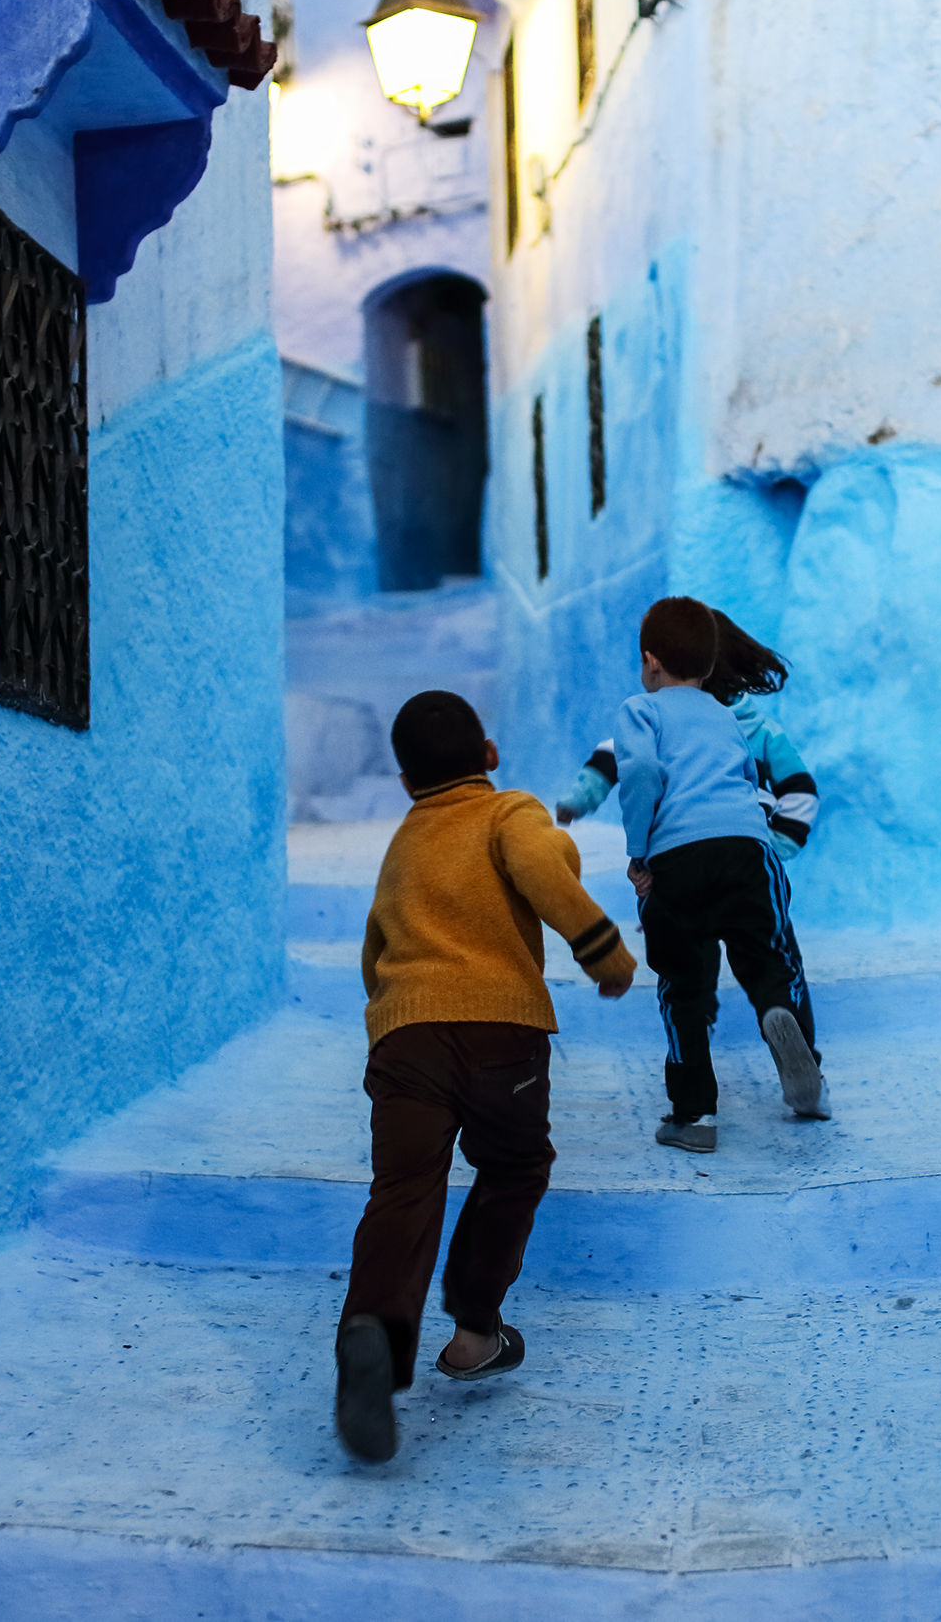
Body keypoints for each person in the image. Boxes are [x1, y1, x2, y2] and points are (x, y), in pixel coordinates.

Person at [334, 690, 637, 1466]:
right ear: (491, 756)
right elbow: (542, 865)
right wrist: (602, 952)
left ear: (406, 783)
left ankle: (374, 1327)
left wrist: (396, 1017)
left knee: (403, 1190)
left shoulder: (404, 842)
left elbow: (375, 954)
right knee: (513, 1167)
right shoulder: (509, 813)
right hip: (501, 1032)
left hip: (404, 1037)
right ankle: (474, 1331)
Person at [618, 597, 826, 1153]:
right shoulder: (728, 716)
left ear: (650, 662)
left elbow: (638, 774)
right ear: (709, 668)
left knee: (682, 983)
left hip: (677, 859)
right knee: (771, 960)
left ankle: (695, 1115)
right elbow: (744, 779)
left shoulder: (641, 710)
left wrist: (640, 852)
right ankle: (780, 1015)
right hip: (748, 851)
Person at [554, 609, 821, 864]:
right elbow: (801, 792)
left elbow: (616, 752)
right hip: (746, 853)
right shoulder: (764, 732)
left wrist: (578, 800)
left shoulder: (660, 722)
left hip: (677, 849)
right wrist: (776, 844)